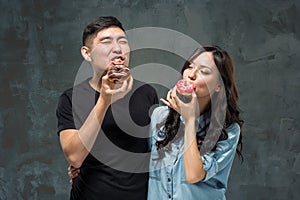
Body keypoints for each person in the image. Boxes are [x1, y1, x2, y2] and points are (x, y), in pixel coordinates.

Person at [56, 16, 158, 200]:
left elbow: (157, 150)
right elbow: (75, 157)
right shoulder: (71, 98)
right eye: (106, 42)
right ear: (87, 54)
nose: (117, 49)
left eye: (123, 42)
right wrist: (104, 100)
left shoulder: (146, 93)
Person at [147, 45, 243, 200]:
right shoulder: (160, 117)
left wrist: (190, 119)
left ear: (218, 85)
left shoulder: (229, 130)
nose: (191, 75)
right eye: (190, 67)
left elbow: (193, 175)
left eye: (204, 71)